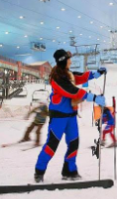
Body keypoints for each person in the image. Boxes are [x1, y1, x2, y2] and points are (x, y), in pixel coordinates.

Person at [34, 49, 106, 182]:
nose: (71, 61)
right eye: (68, 59)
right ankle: (39, 171)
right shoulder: (56, 78)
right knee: (52, 145)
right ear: (63, 61)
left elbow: (78, 77)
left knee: (74, 143)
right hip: (59, 117)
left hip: (71, 115)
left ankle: (69, 170)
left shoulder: (67, 74)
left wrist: (94, 74)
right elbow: (71, 91)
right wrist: (93, 97)